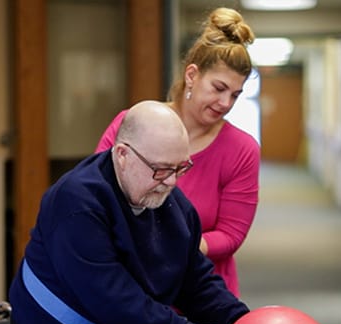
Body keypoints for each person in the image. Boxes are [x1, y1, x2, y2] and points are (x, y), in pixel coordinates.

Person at [7, 100, 250, 324]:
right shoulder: (76, 202)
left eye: (180, 168)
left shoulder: (171, 204)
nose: (171, 182)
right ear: (122, 154)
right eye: (161, 169)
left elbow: (195, 280)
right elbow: (108, 296)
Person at [95, 7, 260, 300]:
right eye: (219, 88)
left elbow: (231, 235)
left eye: (235, 94)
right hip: (129, 288)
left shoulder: (242, 149)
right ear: (192, 75)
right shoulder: (131, 123)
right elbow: (98, 193)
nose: (225, 103)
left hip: (199, 294)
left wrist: (167, 245)